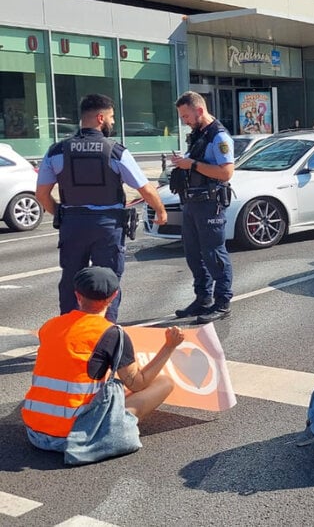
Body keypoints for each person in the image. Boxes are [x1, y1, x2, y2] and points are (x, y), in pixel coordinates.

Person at [22, 267, 186, 454]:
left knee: (112, 387)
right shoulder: (111, 334)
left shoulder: (50, 326)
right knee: (164, 382)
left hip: (34, 432)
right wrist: (169, 346)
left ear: (77, 295)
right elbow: (138, 383)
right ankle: (113, 426)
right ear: (114, 296)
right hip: (75, 436)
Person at [35, 94, 167, 323]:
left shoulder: (57, 151)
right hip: (107, 225)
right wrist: (161, 211)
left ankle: (69, 332)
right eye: (111, 117)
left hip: (72, 225)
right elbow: (145, 188)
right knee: (107, 281)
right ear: (100, 117)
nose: (113, 122)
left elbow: (42, 195)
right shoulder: (115, 151)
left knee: (71, 280)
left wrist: (61, 214)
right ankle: (104, 334)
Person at [170, 92, 235, 323]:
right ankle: (203, 298)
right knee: (193, 254)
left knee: (214, 254)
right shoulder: (198, 134)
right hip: (192, 203)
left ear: (199, 111)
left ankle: (222, 302)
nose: (184, 121)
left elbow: (226, 172)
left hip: (210, 203)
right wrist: (182, 164)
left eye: (186, 115)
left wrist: (193, 165)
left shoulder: (219, 137)